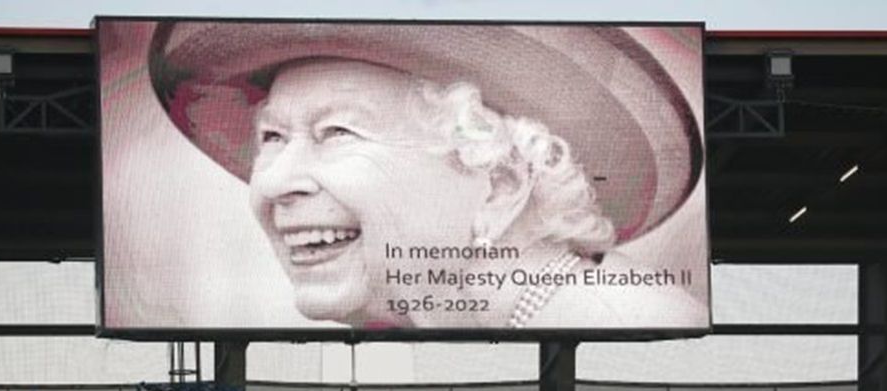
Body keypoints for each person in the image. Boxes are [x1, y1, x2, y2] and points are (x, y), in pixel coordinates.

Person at [146, 21, 707, 329]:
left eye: (338, 132)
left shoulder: (637, 329)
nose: (271, 184)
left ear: (500, 186)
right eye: (272, 137)